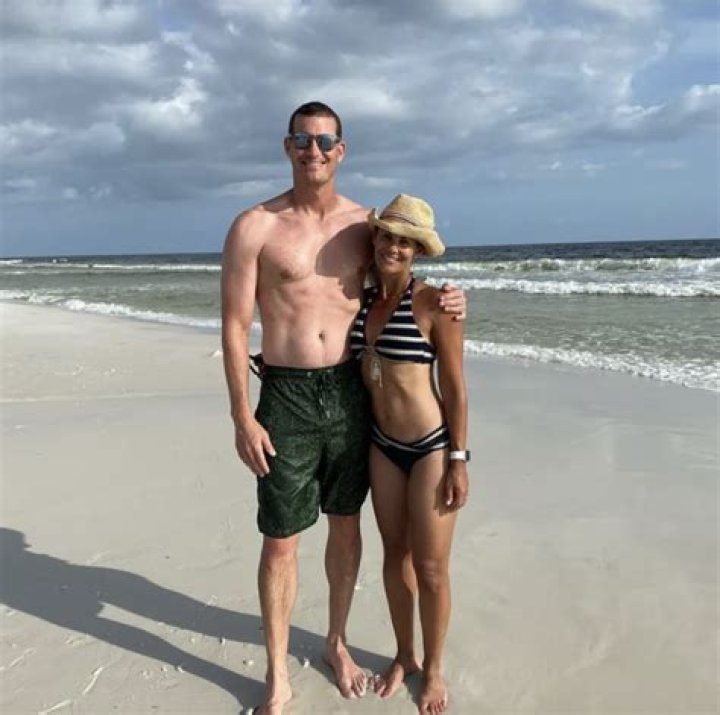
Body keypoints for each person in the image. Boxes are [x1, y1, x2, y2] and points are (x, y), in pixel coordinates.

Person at [221, 102, 465, 715]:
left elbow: (400, 281)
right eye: (303, 140)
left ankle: (336, 641)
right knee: (280, 541)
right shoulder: (254, 226)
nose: (315, 151)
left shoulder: (363, 226)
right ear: (288, 147)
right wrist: (242, 415)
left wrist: (453, 298)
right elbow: (234, 325)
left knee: (347, 525)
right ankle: (278, 673)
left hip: (352, 394)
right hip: (286, 395)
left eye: (326, 141)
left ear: (342, 150)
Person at [349, 194, 469, 714]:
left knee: (431, 566)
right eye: (386, 236)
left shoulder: (436, 304)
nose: (393, 247)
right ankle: (405, 654)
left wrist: (460, 459)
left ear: (418, 250)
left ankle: (434, 668)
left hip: (430, 449)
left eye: (405, 241)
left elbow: (456, 388)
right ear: (374, 239)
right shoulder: (360, 303)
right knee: (394, 554)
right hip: (382, 446)